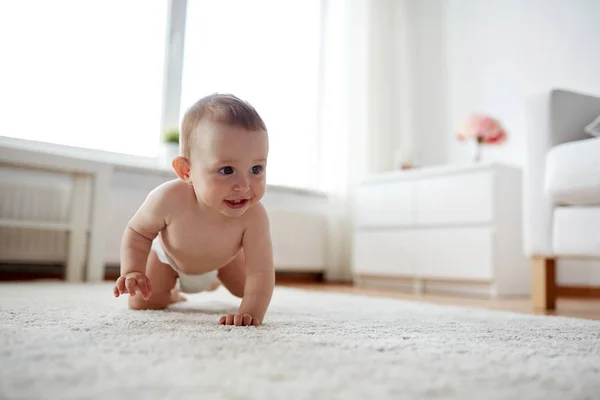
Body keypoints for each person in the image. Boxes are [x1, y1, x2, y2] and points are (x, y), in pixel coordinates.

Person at [113, 93, 274, 326]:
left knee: (248, 290)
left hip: (225, 260)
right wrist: (132, 271)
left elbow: (262, 271)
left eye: (256, 169)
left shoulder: (254, 216)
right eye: (227, 170)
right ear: (186, 171)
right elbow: (138, 232)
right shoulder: (167, 198)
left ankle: (212, 280)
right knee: (142, 302)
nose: (245, 186)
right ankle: (172, 294)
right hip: (168, 259)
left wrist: (250, 312)